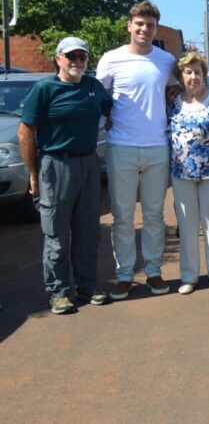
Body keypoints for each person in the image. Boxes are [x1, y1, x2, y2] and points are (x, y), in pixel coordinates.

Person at [18, 37, 112, 314]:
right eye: (72, 56)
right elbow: (26, 132)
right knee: (57, 234)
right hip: (56, 165)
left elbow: (111, 109)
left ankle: (87, 286)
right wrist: (33, 173)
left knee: (88, 232)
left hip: (89, 164)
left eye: (82, 57)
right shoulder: (44, 89)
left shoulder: (93, 87)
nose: (77, 62)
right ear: (58, 58)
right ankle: (58, 292)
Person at [97, 0, 179, 300]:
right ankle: (124, 274)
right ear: (129, 25)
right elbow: (98, 95)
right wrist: (106, 115)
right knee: (122, 215)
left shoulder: (166, 60)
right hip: (121, 147)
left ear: (156, 29)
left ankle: (154, 271)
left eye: (150, 25)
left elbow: (176, 89)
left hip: (157, 146)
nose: (145, 29)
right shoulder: (111, 59)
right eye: (140, 24)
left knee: (155, 214)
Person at [168, 52, 209, 295]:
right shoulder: (173, 103)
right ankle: (189, 276)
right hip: (181, 173)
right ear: (181, 76)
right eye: (188, 72)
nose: (193, 77)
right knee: (187, 225)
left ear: (204, 74)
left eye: (197, 72)